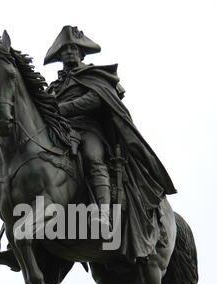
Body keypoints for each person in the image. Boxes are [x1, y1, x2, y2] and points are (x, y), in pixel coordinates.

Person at [43, 26, 177, 261]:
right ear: (59, 57)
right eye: (64, 51)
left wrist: (61, 108)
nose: (69, 53)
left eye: (74, 49)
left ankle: (103, 213)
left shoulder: (96, 76)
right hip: (59, 133)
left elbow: (95, 99)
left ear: (82, 53)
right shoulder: (53, 87)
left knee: (93, 157)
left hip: (87, 129)